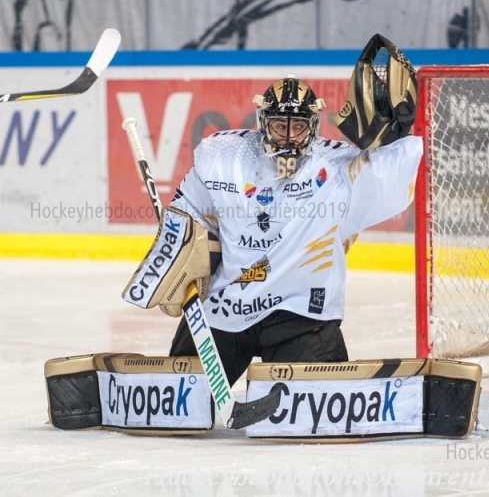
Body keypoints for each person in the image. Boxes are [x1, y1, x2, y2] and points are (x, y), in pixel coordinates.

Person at [161, 55, 421, 386]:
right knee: (181, 404)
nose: (288, 136)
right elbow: (186, 217)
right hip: (224, 310)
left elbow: (387, 183)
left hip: (299, 316)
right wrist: (172, 254)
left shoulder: (337, 169)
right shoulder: (224, 158)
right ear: (262, 122)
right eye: (279, 126)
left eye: (298, 126)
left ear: (312, 127)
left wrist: (397, 135)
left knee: (314, 412)